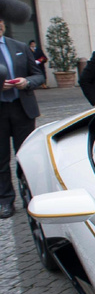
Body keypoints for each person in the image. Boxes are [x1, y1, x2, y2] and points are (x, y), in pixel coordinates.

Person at [0, 18, 44, 219]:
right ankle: (5, 201)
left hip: (22, 109)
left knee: (26, 156)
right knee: (1, 159)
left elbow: (38, 75)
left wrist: (27, 81)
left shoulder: (19, 47)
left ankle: (30, 196)